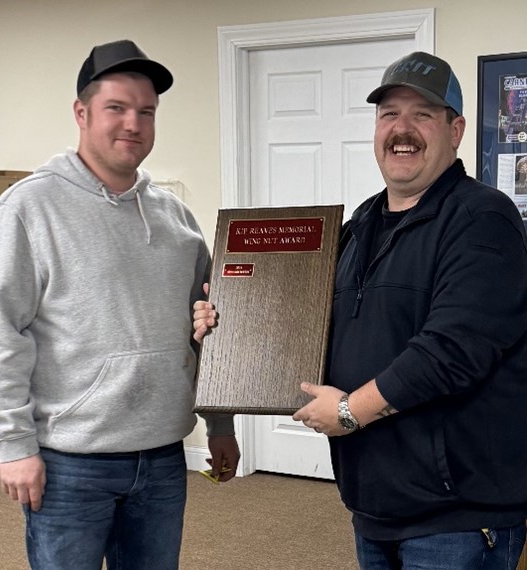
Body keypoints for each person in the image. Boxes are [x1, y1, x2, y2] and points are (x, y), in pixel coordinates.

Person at [194, 52, 527, 569]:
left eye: (422, 114)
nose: (403, 128)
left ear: (455, 129)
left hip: (457, 514)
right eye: (389, 113)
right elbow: (307, 328)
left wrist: (350, 412)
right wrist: (226, 327)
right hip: (373, 504)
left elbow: (453, 350)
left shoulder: (483, 217)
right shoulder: (360, 225)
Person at [0, 39, 239, 570]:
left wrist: (221, 423)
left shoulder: (177, 220)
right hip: (70, 462)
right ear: (82, 112)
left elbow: (211, 332)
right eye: (116, 108)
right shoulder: (28, 208)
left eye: (146, 111)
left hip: (163, 456)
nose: (133, 124)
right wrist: (13, 445)